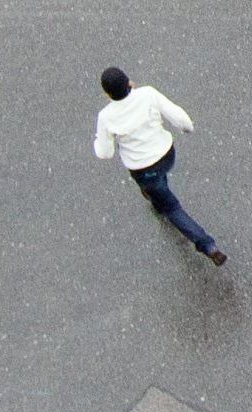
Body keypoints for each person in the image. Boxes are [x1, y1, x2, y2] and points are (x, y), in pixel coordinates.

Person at [91, 66, 225, 265]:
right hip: (166, 154)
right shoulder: (148, 94)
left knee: (171, 208)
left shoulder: (106, 117)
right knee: (159, 182)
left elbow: (105, 153)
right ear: (130, 82)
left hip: (142, 169)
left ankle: (207, 245)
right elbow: (180, 119)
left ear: (107, 94)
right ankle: (155, 194)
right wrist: (187, 128)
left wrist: (98, 141)